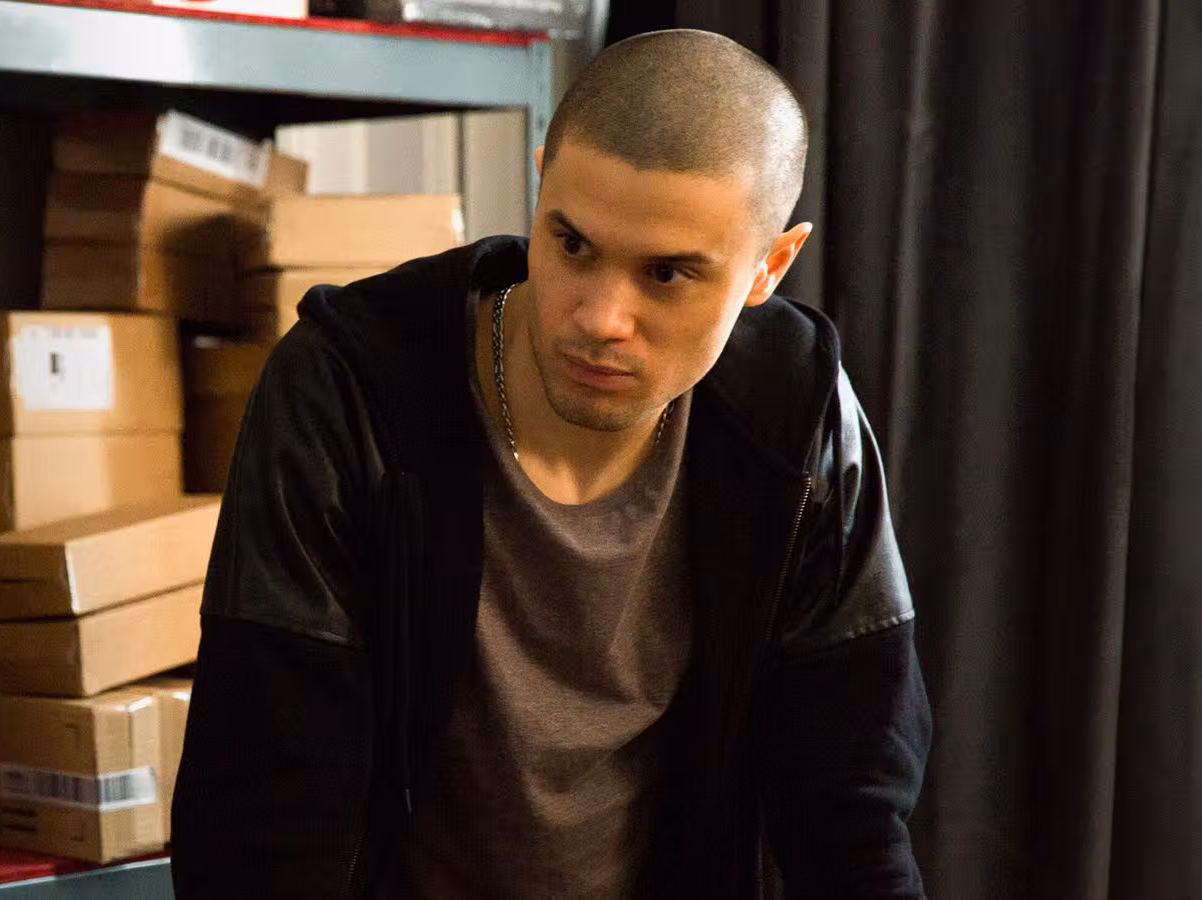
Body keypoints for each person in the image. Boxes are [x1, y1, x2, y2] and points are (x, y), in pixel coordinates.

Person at [171, 28, 932, 900]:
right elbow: (265, 820)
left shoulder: (797, 419)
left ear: (770, 267)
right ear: (540, 184)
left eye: (667, 274)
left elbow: (853, 813)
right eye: (572, 244)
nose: (601, 318)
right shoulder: (350, 390)